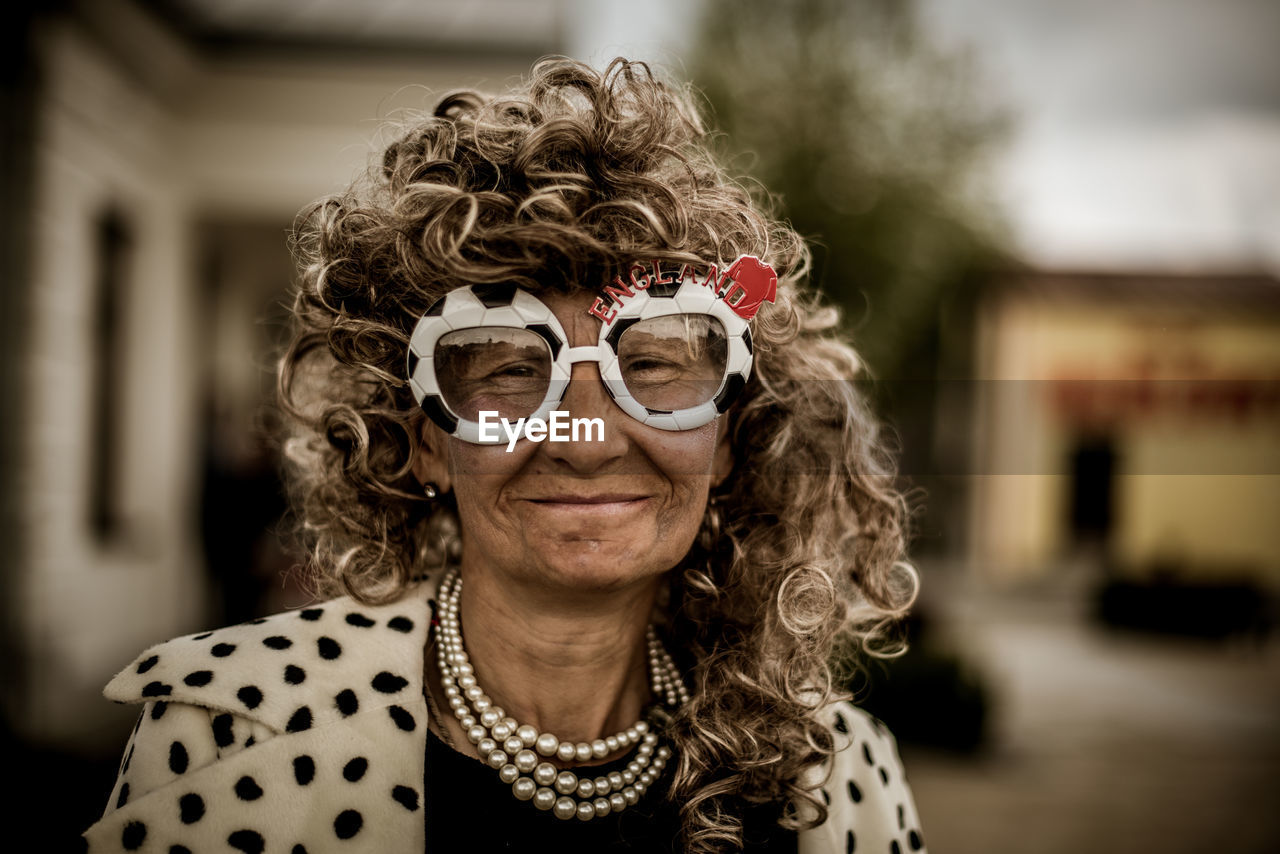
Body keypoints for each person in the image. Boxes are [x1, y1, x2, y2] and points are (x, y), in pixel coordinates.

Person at [82, 57, 925, 854]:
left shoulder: (839, 782)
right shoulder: (233, 734)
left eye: (656, 368)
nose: (586, 440)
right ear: (422, 445)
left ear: (731, 440)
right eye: (514, 370)